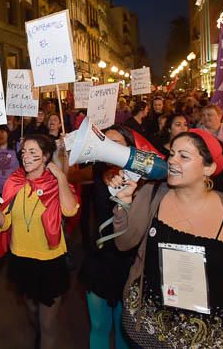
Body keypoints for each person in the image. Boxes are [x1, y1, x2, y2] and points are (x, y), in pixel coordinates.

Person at [111, 129, 223, 349]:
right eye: (171, 154)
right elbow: (124, 242)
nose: (172, 161)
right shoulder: (152, 195)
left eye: (184, 156)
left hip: (211, 337)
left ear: (209, 168)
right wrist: (124, 203)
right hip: (152, 329)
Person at [0, 133, 79, 349]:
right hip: (21, 259)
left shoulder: (55, 184)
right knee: (33, 312)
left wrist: (62, 178)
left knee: (48, 324)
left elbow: (70, 211)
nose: (25, 157)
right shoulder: (15, 182)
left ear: (45, 157)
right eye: (24, 152)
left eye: (33, 153)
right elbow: (5, 223)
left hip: (50, 261)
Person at [77, 125, 137, 349]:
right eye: (105, 144)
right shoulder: (96, 171)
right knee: (100, 326)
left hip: (130, 264)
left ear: (130, 148)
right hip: (100, 260)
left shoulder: (144, 179)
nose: (110, 149)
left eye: (117, 144)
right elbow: (70, 173)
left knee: (124, 330)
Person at [0, 125, 20, 194]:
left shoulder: (17, 146)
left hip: (13, 189)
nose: (0, 135)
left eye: (2, 131)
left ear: (7, 133)